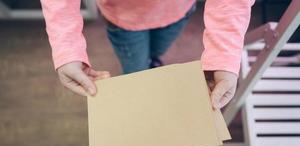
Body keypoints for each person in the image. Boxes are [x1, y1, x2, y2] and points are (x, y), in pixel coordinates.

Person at [40, 0, 254, 109]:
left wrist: (225, 56)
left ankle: (151, 61)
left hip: (177, 11)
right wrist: (66, 47)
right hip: (124, 20)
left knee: (156, 51)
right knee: (136, 70)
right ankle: (141, 85)